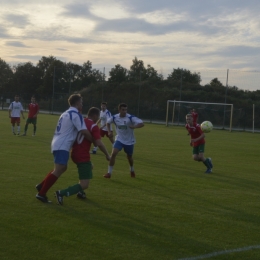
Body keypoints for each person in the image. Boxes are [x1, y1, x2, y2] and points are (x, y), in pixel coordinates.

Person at [35, 93, 92, 203]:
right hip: (62, 144)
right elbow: (84, 131)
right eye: (81, 102)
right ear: (77, 103)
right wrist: (93, 140)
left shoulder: (66, 113)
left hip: (58, 143)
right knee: (59, 168)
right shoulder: (76, 115)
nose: (82, 104)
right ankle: (41, 193)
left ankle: (41, 186)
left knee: (62, 168)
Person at [54, 107, 111, 205]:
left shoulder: (80, 121)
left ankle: (80, 192)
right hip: (82, 156)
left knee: (90, 166)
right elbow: (98, 143)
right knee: (85, 184)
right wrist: (107, 155)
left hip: (74, 152)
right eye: (98, 117)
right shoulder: (93, 126)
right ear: (95, 116)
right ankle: (61, 193)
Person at [103, 103, 144, 179]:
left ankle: (132, 169)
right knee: (114, 153)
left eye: (126, 110)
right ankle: (109, 173)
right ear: (119, 110)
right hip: (119, 139)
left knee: (129, 157)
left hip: (129, 141)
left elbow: (142, 123)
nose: (124, 111)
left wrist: (134, 126)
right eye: (123, 110)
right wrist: (109, 131)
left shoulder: (130, 117)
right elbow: (108, 122)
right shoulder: (115, 117)